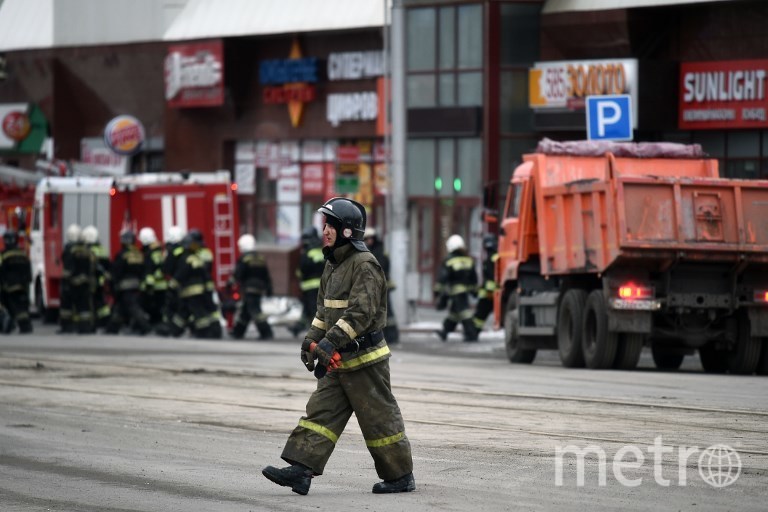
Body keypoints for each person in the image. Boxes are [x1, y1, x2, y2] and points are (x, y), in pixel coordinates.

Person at [262, 197, 415, 496]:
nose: (326, 230)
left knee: (379, 420)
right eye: (325, 224)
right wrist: (311, 340)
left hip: (366, 360)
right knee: (320, 413)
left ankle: (400, 476)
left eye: (332, 224)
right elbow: (323, 312)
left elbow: (361, 312)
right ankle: (301, 470)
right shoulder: (332, 264)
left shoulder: (365, 264)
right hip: (337, 360)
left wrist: (330, 341)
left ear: (348, 230)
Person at [172, 231, 222, 339]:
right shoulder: (198, 256)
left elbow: (182, 272)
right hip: (202, 287)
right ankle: (176, 330)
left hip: (191, 289)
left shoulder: (189, 257)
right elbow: (205, 272)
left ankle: (203, 332)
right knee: (186, 311)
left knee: (198, 312)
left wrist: (173, 284)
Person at [433, 234, 479, 342]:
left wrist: (437, 292)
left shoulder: (449, 260)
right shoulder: (468, 260)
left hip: (455, 291)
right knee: (454, 314)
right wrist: (474, 291)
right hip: (465, 290)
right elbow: (474, 278)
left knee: (464, 313)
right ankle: (445, 331)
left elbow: (442, 278)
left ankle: (471, 334)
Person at [229, 233, 274, 340]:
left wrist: (231, 282)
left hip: (249, 288)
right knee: (245, 311)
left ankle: (266, 332)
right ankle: (237, 332)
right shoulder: (260, 258)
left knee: (255, 311)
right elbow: (266, 275)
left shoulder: (244, 258)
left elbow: (239, 273)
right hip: (259, 288)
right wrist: (269, 288)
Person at [106, 230, 151, 335]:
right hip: (137, 284)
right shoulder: (139, 254)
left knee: (132, 307)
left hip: (125, 285)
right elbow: (144, 269)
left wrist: (113, 283)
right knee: (120, 307)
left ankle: (145, 327)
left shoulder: (123, 254)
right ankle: (112, 328)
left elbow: (116, 270)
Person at [363, 227, 399, 344]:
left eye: (370, 238)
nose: (369, 241)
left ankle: (392, 336)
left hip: (382, 286)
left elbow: (382, 266)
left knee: (387, 312)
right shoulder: (368, 251)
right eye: (366, 239)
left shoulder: (379, 251)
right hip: (372, 287)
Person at [290, 226, 325, 337]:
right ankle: (298, 327)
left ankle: (317, 332)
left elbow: (301, 271)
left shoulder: (306, 254)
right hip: (320, 286)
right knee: (308, 309)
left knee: (312, 310)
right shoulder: (321, 252)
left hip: (309, 287)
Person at [0, 230, 33, 333]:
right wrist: (27, 282)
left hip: (8, 286)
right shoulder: (22, 254)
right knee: (22, 308)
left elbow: (1, 270)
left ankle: (8, 325)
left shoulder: (3, 255)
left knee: (8, 307)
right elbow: (28, 270)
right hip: (22, 286)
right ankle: (25, 327)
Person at [81, 225, 112, 330]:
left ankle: (94, 322)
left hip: (93, 281)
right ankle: (105, 320)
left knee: (93, 301)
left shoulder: (89, 251)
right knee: (101, 302)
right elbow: (107, 264)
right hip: (103, 280)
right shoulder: (102, 249)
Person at [139, 226, 167, 329]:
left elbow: (149, 270)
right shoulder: (159, 251)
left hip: (154, 286)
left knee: (151, 305)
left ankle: (153, 325)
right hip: (162, 285)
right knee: (159, 306)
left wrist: (148, 286)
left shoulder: (150, 253)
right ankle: (157, 324)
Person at [471, 234, 498, 334]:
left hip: (489, 293)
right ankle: (473, 332)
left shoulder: (491, 258)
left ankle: (473, 332)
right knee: (481, 314)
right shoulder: (495, 256)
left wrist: (489, 291)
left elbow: (491, 277)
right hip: (490, 292)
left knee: (480, 314)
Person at [58, 224, 82, 333]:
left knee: (66, 307)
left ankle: (66, 327)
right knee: (78, 305)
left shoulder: (68, 249)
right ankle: (77, 325)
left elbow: (64, 263)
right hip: (79, 282)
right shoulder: (82, 248)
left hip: (68, 282)